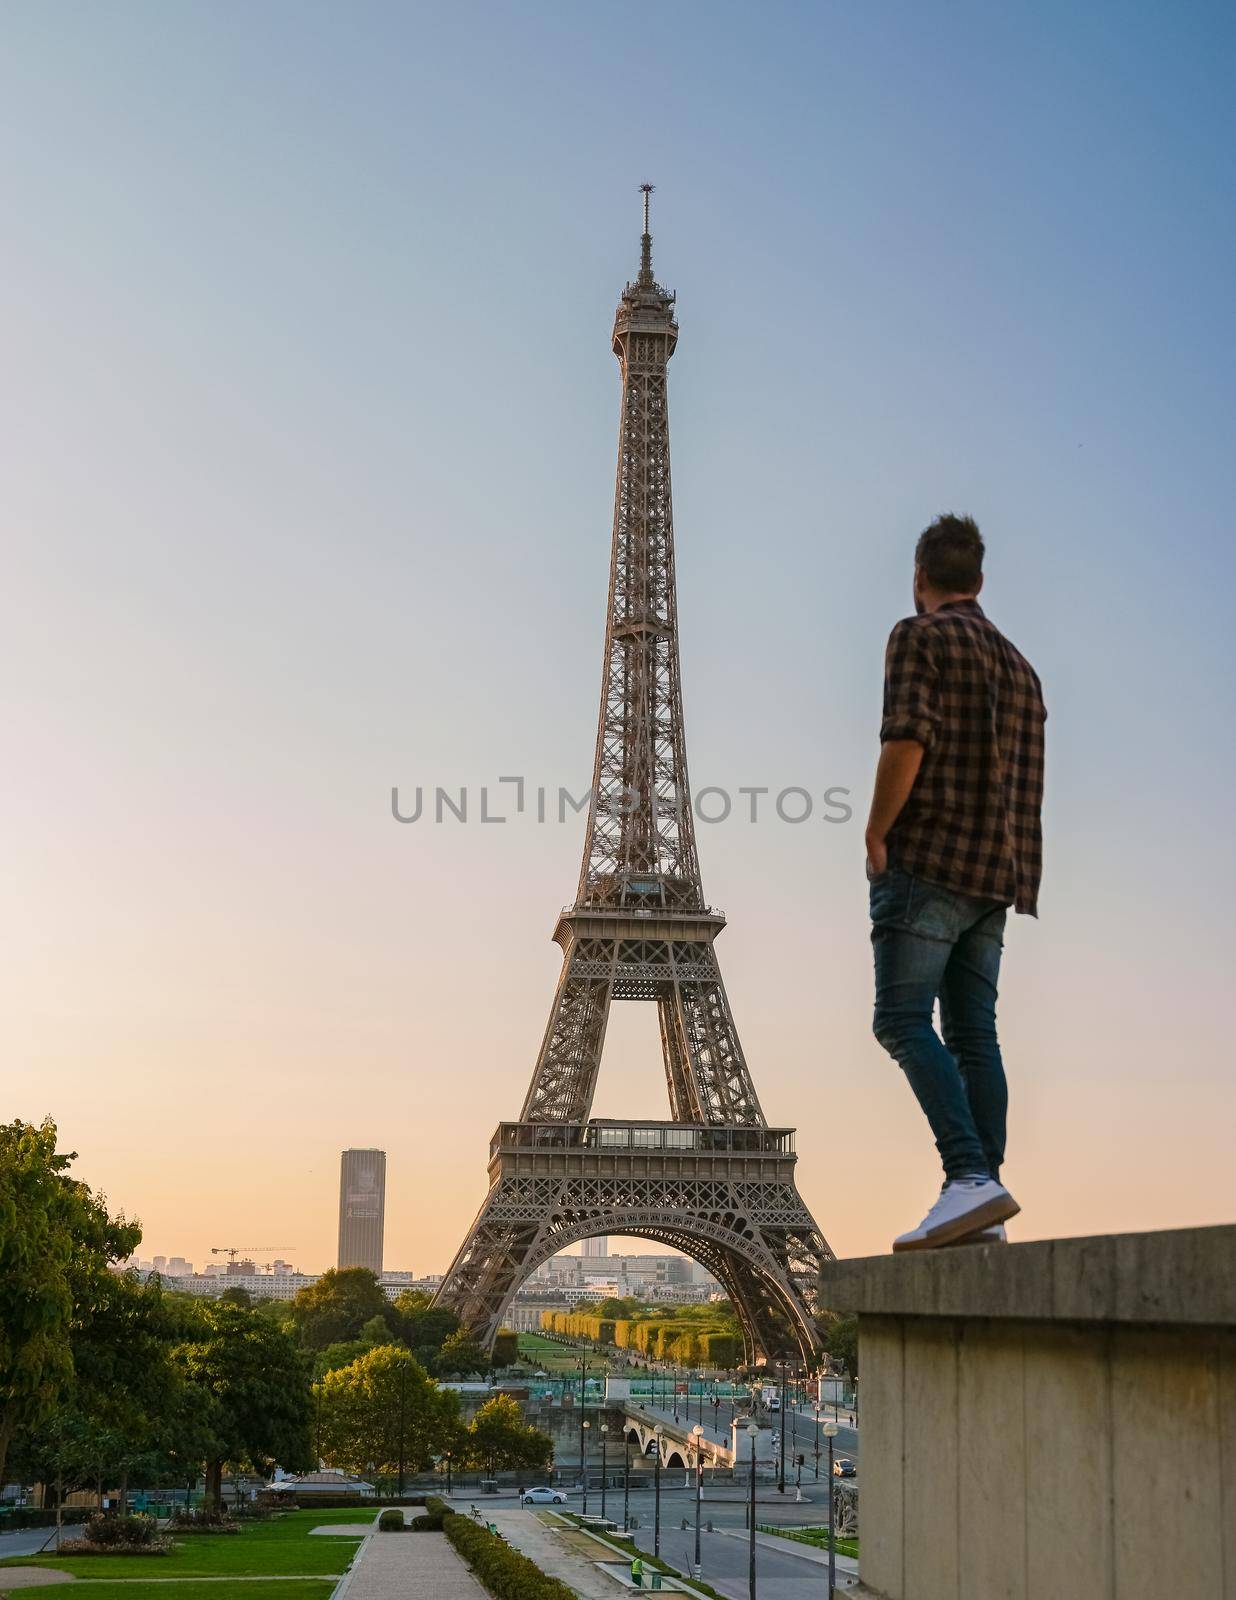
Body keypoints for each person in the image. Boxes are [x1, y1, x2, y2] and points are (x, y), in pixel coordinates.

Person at [865, 514, 1046, 1250]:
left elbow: (907, 737)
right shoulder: (1022, 668)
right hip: (997, 876)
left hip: (930, 862)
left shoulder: (919, 637)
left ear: (920, 580)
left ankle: (968, 1176)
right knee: (975, 1034)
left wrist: (878, 829)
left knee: (900, 1021)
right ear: (978, 580)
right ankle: (981, 1196)